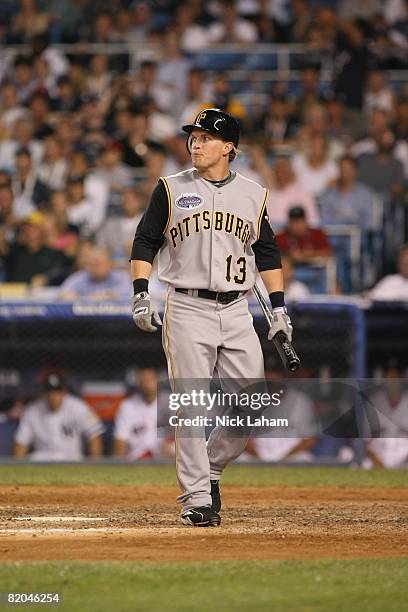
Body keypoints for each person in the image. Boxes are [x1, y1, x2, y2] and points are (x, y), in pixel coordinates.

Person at [130, 108, 293, 527]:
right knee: (192, 406)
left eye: (205, 137)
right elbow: (145, 240)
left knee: (251, 404)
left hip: (238, 308)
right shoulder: (170, 188)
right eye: (194, 137)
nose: (195, 143)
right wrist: (141, 293)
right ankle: (197, 498)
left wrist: (278, 308)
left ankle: (212, 467)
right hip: (186, 306)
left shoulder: (253, 194)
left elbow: (267, 252)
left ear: (229, 147)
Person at [14, 373, 104, 461]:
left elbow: (95, 435)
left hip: (72, 459)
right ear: (44, 393)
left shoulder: (79, 407)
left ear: (64, 392)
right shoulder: (32, 410)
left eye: (57, 391)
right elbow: (21, 443)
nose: (53, 396)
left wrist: (95, 464)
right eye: (50, 391)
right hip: (42, 460)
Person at [319, 156, 379, 230]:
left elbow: (370, 223)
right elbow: (324, 219)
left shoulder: (366, 194)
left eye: (348, 170)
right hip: (333, 235)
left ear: (356, 171)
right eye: (342, 170)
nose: (345, 174)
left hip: (359, 236)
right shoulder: (329, 194)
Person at [113, 368, 161, 460]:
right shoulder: (127, 406)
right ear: (139, 383)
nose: (148, 384)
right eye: (144, 380)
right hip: (135, 460)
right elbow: (120, 440)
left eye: (151, 380)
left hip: (163, 460)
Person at [59, 247, 131, 301]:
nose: (95, 268)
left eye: (99, 264)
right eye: (92, 264)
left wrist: (109, 294)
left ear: (110, 264)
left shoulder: (121, 276)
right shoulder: (80, 277)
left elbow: (131, 291)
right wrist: (72, 296)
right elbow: (64, 291)